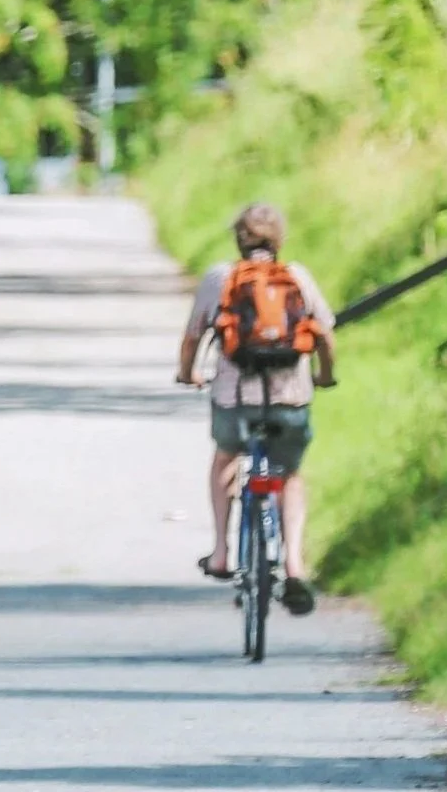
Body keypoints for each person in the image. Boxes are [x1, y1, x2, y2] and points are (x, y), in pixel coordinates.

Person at [175, 203, 336, 616]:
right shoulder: (296, 277)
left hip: (234, 400)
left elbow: (194, 336)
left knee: (226, 458)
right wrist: (325, 375)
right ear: (278, 238)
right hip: (290, 399)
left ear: (238, 239)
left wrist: (187, 373)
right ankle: (295, 565)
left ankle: (223, 552)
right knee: (290, 476)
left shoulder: (220, 278)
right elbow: (324, 333)